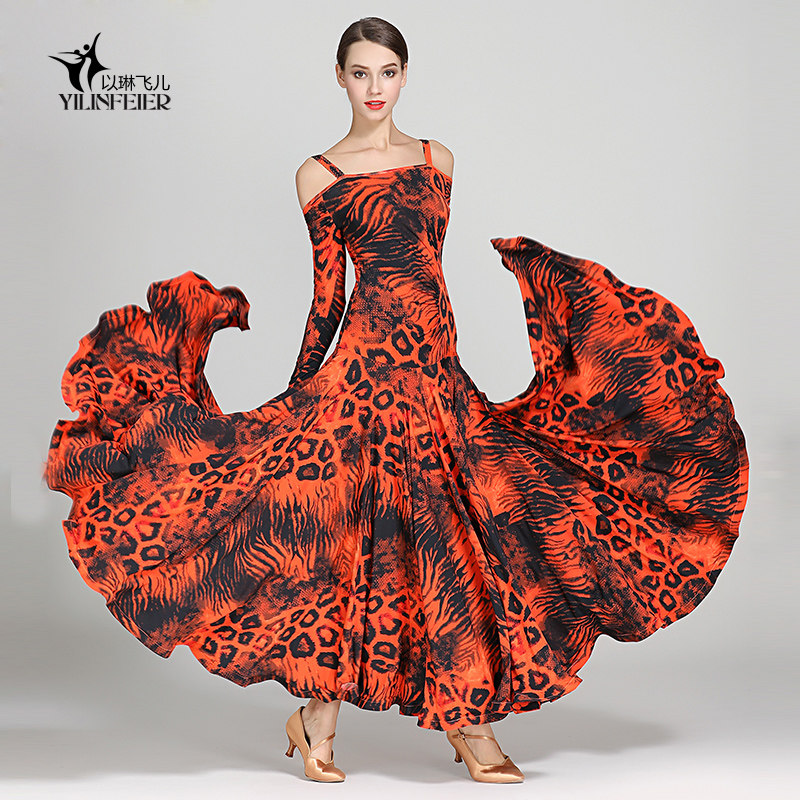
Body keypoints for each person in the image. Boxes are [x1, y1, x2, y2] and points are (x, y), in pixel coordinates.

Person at [44, 16, 749, 785]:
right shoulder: (320, 175)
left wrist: (445, 363)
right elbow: (329, 295)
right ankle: (323, 719)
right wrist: (301, 392)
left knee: (458, 540)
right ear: (340, 78)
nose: (374, 88)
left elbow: (429, 271)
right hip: (364, 375)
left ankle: (464, 717)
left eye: (386, 72)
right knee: (343, 540)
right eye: (360, 73)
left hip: (437, 376)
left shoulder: (438, 160)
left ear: (405, 76)